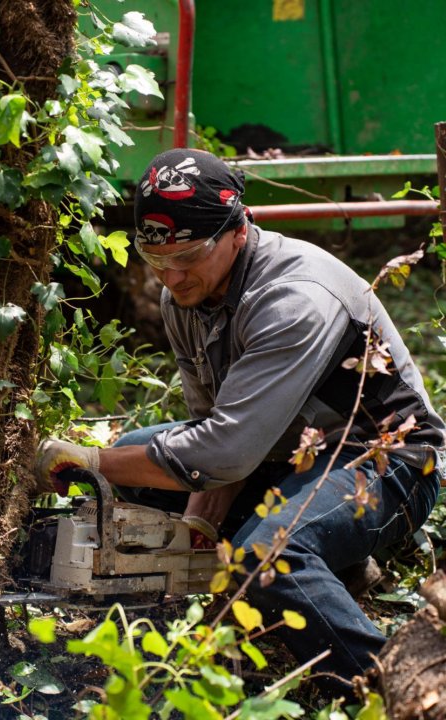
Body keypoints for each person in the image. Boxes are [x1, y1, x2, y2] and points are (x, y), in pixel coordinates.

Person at [34, 148, 446, 699]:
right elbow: (211, 423)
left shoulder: (294, 297)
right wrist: (201, 528)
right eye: (155, 257)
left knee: (266, 557)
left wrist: (89, 459)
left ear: (237, 228)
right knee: (132, 465)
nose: (171, 275)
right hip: (282, 452)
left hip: (386, 460)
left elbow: (222, 451)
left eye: (187, 254)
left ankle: (397, 691)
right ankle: (334, 568)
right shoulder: (186, 294)